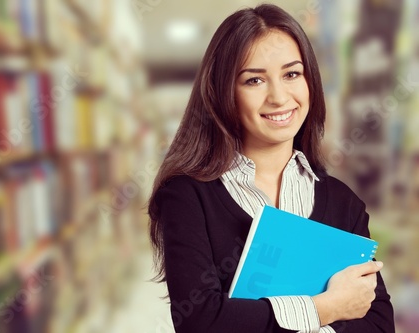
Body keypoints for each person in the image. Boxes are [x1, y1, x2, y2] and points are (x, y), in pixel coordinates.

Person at [147, 4, 395, 333]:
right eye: (254, 80)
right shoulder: (187, 196)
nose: (279, 97)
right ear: (225, 93)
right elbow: (199, 322)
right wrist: (325, 308)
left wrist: (254, 318)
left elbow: (378, 324)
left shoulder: (343, 203)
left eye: (292, 74)